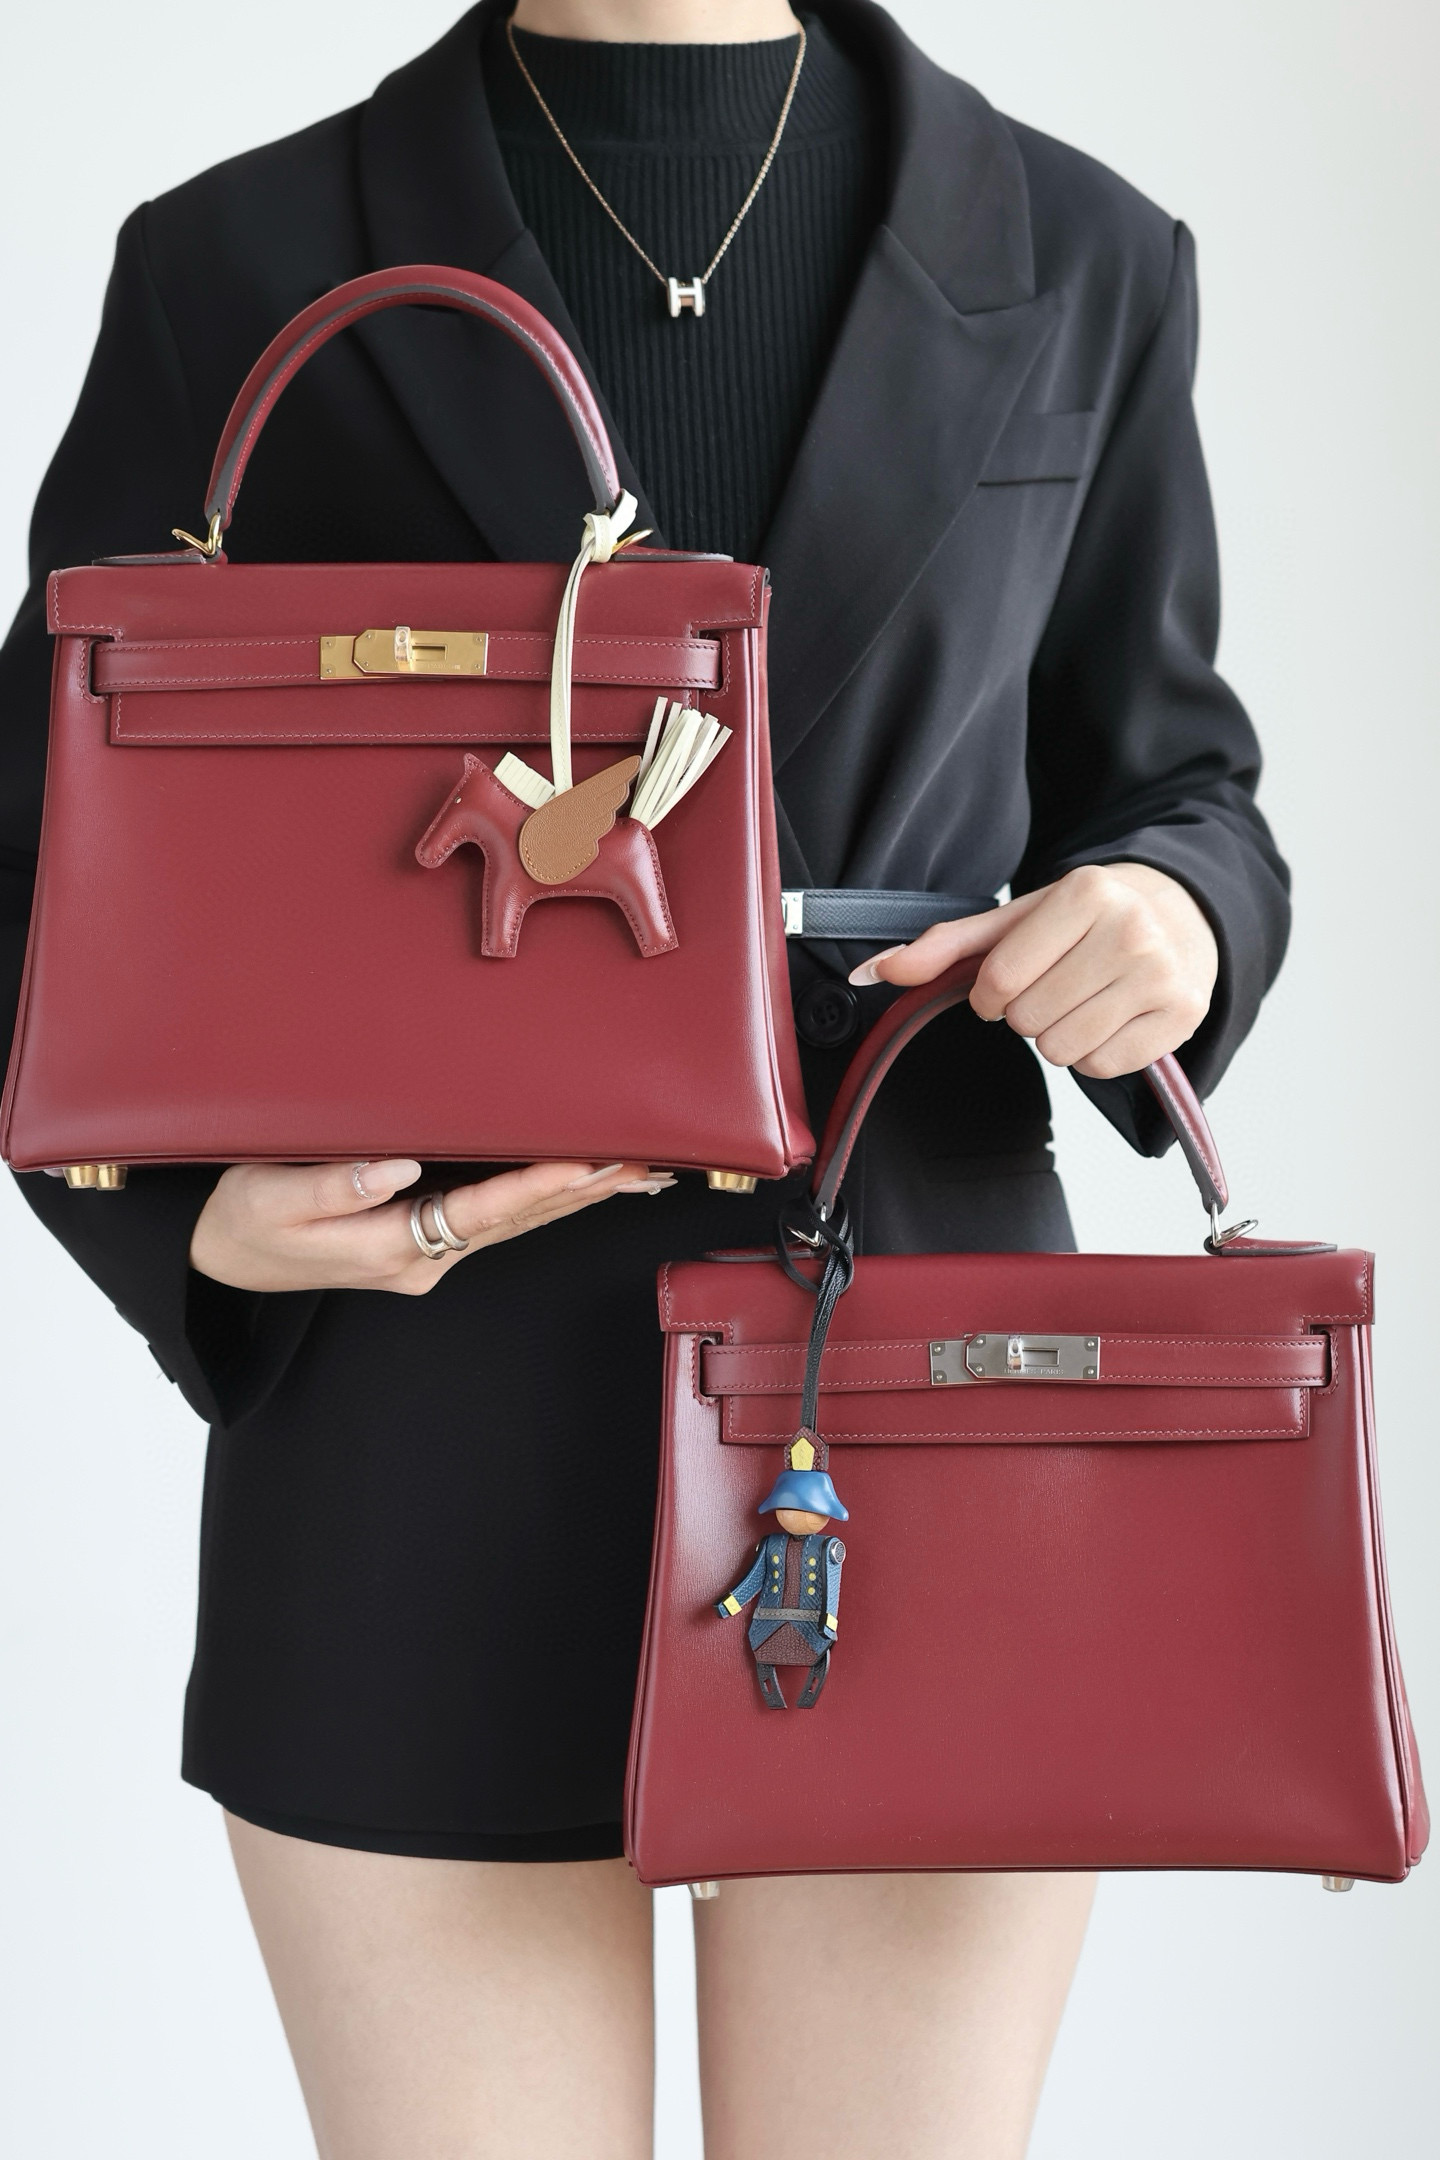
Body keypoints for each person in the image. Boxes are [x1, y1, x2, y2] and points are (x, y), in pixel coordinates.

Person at [0, 0, 1289, 2152]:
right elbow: (40, 853)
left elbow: (1175, 775)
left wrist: (1180, 910)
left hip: (915, 1394)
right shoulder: (240, 259)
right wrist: (186, 1222)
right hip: (417, 1407)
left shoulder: (1083, 251)